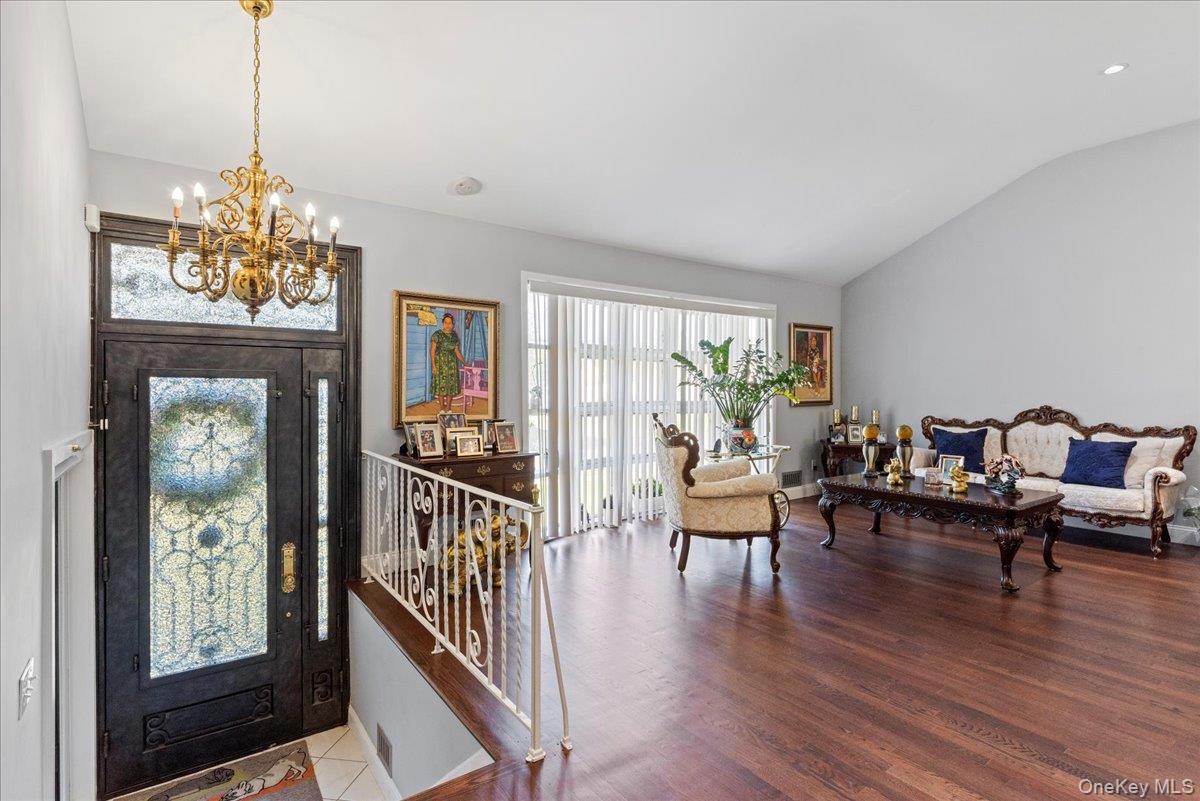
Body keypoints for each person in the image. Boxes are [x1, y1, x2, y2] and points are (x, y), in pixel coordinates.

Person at [430, 312, 466, 411]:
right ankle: (442, 409)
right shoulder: (437, 334)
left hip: (452, 365)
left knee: (451, 387)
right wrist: (433, 365)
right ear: (443, 323)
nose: (447, 325)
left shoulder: (454, 336)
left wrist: (464, 362)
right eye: (446, 322)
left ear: (453, 324)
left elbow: (457, 351)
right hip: (440, 364)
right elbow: (432, 350)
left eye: (450, 323)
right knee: (441, 387)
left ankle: (448, 409)